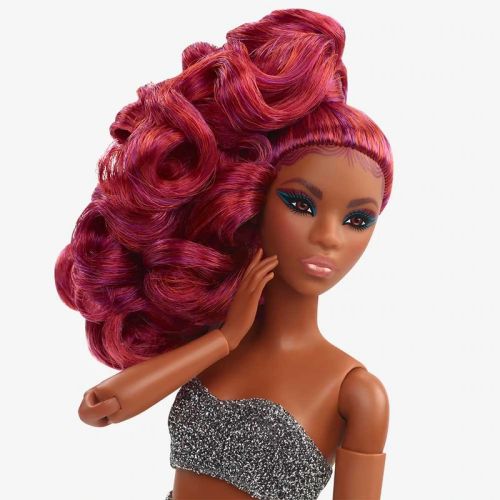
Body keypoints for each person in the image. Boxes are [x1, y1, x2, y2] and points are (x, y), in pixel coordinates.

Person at [55, 8, 393, 500]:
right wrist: (224, 339)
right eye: (301, 205)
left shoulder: (356, 391)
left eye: (357, 220)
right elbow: (99, 408)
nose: (329, 237)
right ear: (250, 199)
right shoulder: (211, 343)